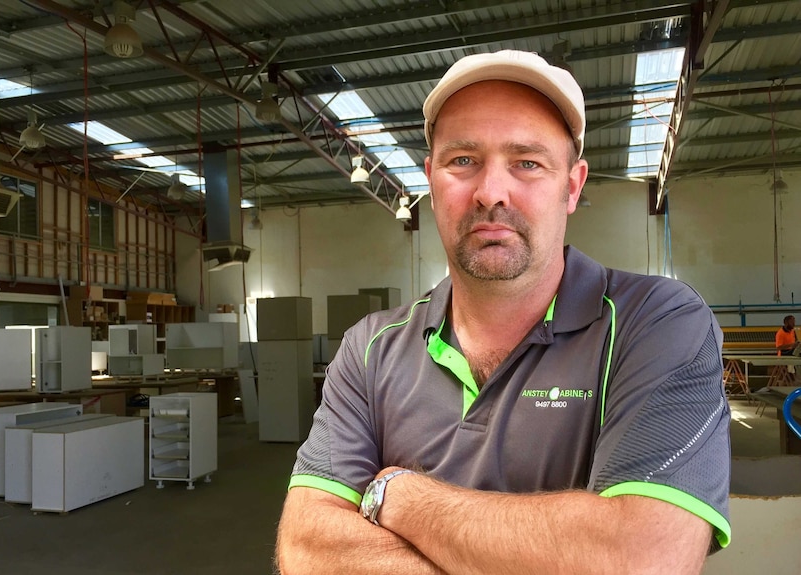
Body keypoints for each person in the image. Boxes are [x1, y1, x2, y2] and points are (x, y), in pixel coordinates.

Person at [276, 50, 730, 575]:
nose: (491, 192)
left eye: (527, 163)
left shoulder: (655, 323)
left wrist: (396, 496)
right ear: (430, 178)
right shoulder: (369, 348)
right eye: (463, 160)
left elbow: (641, 559)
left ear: (573, 186)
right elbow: (307, 547)